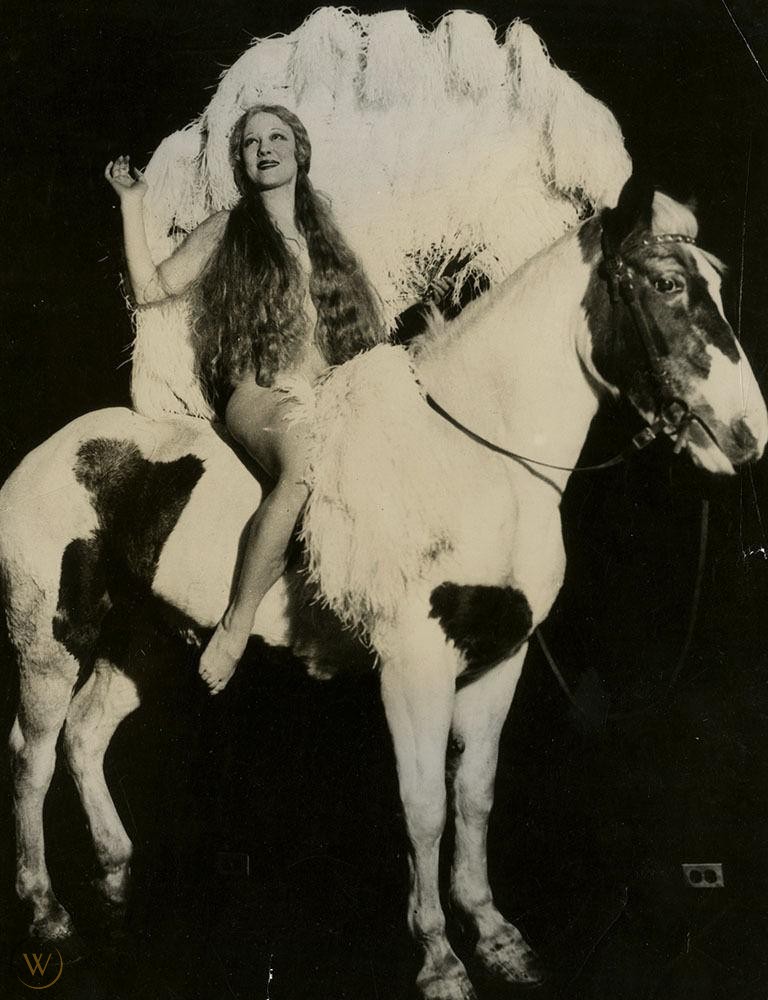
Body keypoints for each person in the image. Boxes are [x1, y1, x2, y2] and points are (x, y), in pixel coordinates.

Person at [106, 104, 454, 694]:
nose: (265, 148)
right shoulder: (228, 227)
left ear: (299, 150)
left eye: (276, 137)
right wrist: (131, 202)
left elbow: (360, 330)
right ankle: (236, 624)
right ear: (241, 160)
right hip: (261, 393)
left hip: (331, 391)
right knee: (305, 465)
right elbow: (150, 288)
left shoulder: (325, 230)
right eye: (251, 142)